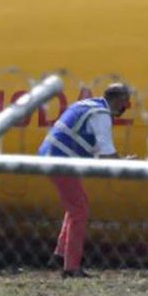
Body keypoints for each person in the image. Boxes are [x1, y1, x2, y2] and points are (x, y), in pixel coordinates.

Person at [38, 83, 133, 278]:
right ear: (118, 100)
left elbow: (92, 149)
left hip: (55, 157)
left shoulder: (89, 105)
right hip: (60, 159)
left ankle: (60, 255)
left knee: (77, 205)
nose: (126, 107)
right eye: (126, 102)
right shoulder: (101, 115)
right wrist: (124, 163)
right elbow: (106, 153)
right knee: (79, 209)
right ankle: (71, 267)